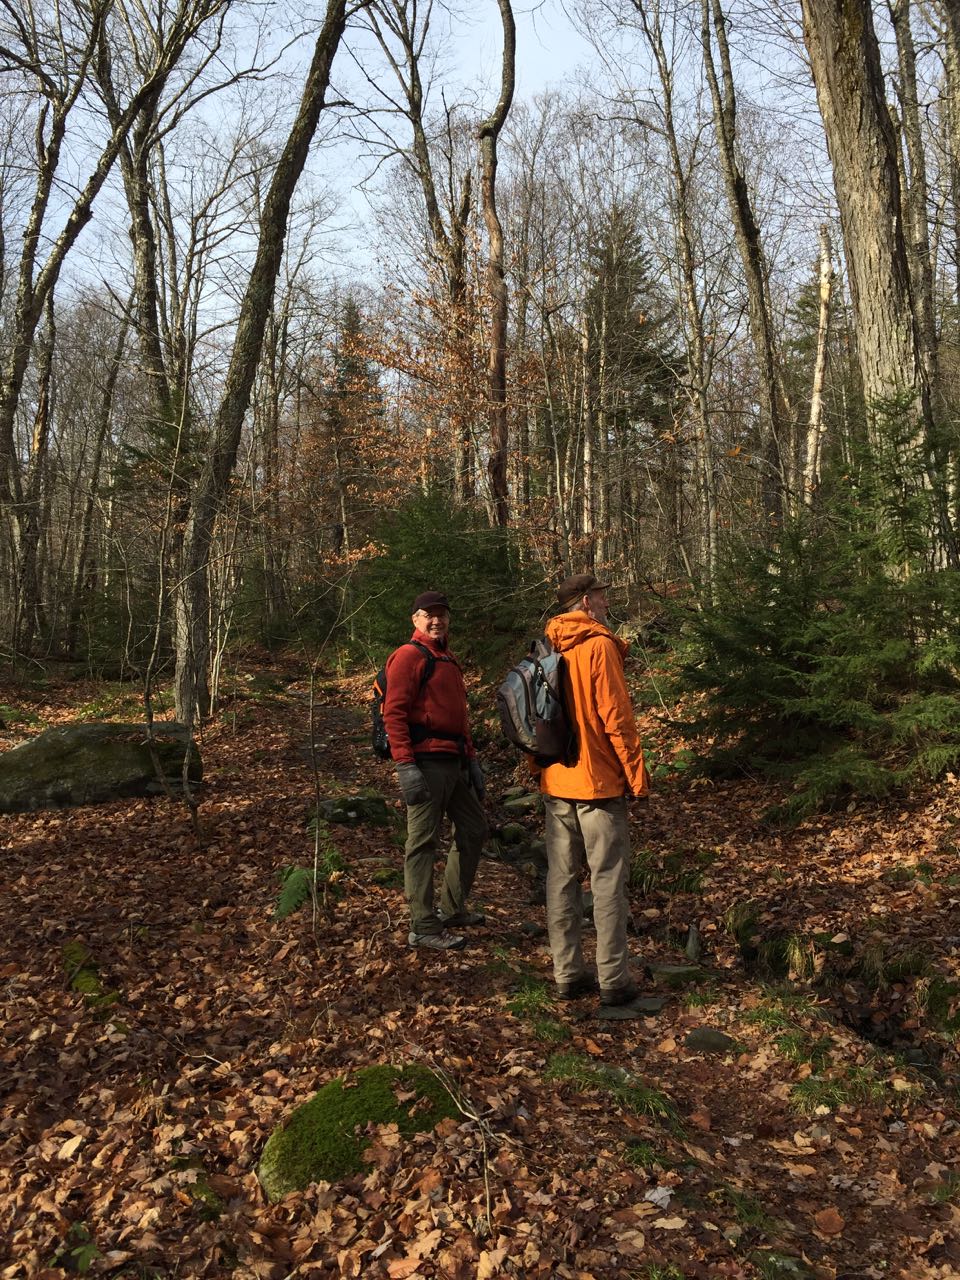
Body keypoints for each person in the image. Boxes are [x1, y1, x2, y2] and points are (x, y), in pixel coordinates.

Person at [534, 573, 650, 1006]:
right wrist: (637, 779)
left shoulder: (546, 645)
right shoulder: (599, 646)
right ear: (586, 600)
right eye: (602, 595)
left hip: (557, 780)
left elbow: (535, 718)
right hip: (597, 784)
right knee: (607, 881)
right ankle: (614, 981)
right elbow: (617, 720)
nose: (605, 602)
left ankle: (567, 974)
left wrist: (538, 768)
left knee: (561, 880)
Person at [383, 589, 488, 951]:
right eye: (428, 614)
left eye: (441, 614)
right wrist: (405, 766)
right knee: (423, 842)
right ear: (415, 619)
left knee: (474, 829)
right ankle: (423, 925)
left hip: (454, 761)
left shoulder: (448, 659)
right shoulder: (408, 656)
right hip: (425, 763)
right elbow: (393, 714)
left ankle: (452, 909)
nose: (436, 620)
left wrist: (471, 760)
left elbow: (461, 718)